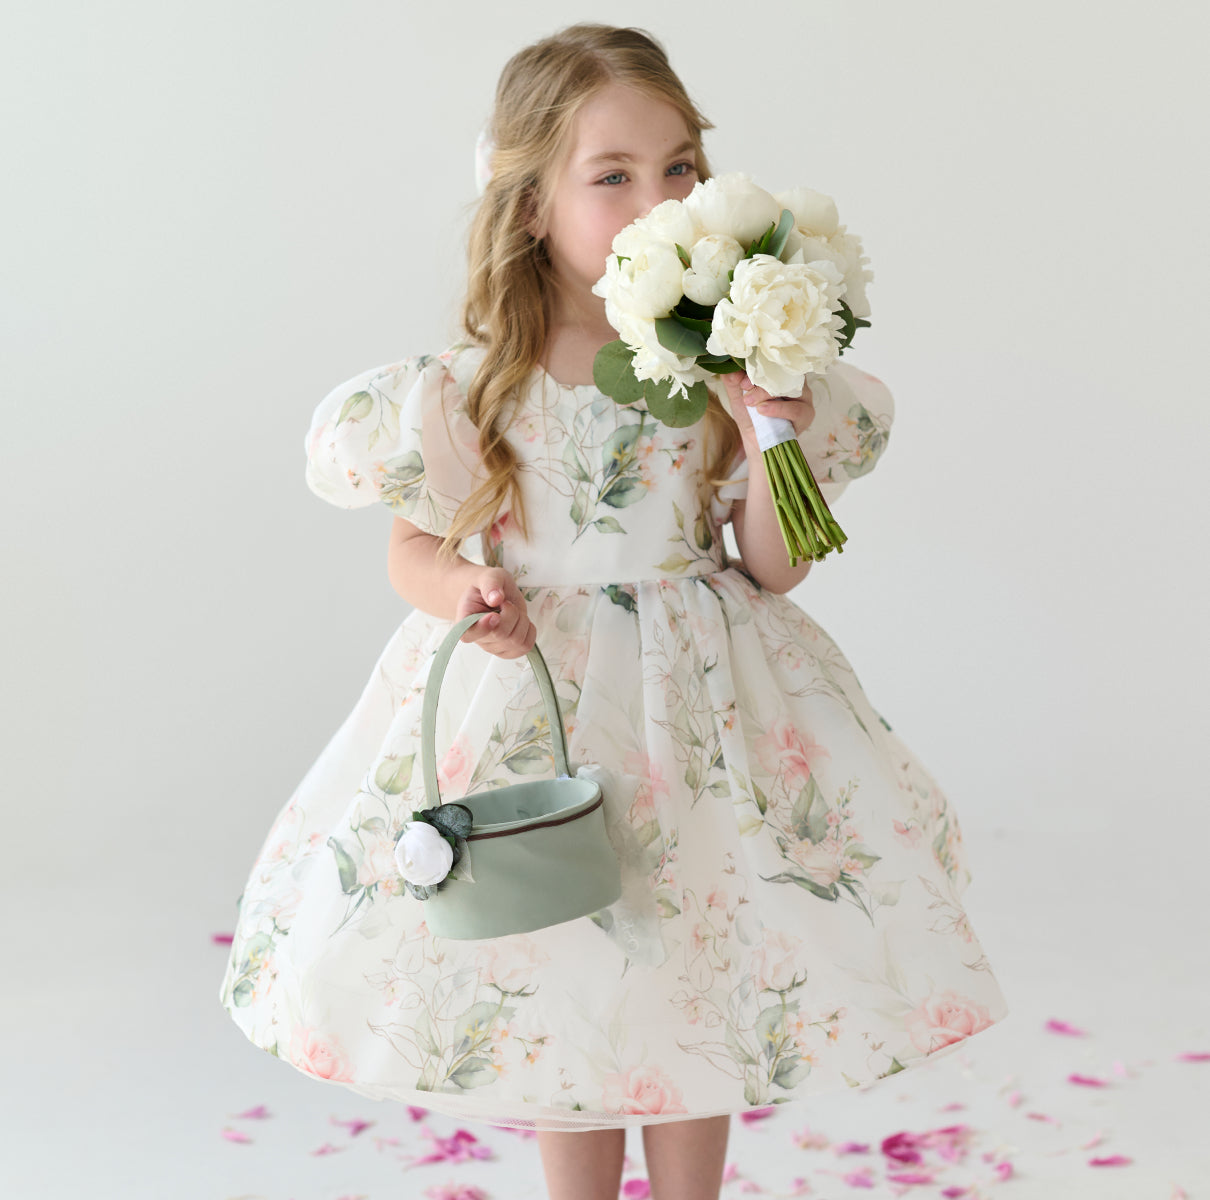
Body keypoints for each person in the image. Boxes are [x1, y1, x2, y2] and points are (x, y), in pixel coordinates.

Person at [218, 22, 1010, 1200]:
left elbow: (773, 564)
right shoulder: (476, 378)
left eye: (680, 167)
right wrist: (463, 588)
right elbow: (413, 545)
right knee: (568, 968)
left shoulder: (716, 362)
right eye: (614, 176)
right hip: (535, 696)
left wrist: (770, 421)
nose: (658, 201)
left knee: (700, 957)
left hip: (701, 711)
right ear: (530, 201)